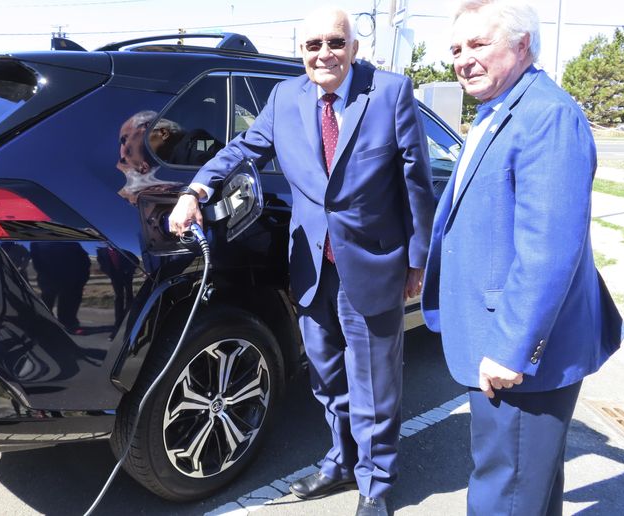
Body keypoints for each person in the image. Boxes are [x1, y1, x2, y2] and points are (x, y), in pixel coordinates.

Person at [169, 6, 435, 515]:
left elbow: (416, 181)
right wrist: (195, 190)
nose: (324, 54)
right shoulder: (285, 97)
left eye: (335, 43)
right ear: (301, 52)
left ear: (354, 47)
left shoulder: (390, 92)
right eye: (313, 45)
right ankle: (339, 461)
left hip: (375, 264)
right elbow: (244, 148)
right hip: (313, 268)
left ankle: (376, 483)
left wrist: (418, 260)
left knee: (376, 386)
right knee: (327, 377)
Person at [421, 1, 624, 514]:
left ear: (521, 45)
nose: (462, 60)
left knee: (505, 494)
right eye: (455, 49)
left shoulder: (546, 115)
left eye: (477, 44)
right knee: (528, 492)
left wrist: (513, 348)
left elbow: (548, 249)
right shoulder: (500, 109)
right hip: (502, 343)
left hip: (515, 354)